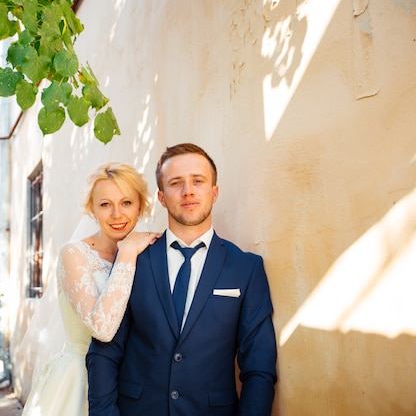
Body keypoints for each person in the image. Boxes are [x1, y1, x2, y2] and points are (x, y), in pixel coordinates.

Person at [87, 143, 278, 416]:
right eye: (176, 183)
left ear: (214, 192)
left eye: (197, 181)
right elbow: (105, 352)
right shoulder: (133, 259)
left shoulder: (246, 268)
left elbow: (259, 366)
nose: (187, 190)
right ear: (162, 197)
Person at [21, 162, 160, 416]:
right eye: (105, 204)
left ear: (140, 206)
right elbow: (102, 329)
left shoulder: (151, 252)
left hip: (133, 383)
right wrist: (127, 252)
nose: (117, 214)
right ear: (93, 210)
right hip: (77, 380)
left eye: (126, 203)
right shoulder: (74, 254)